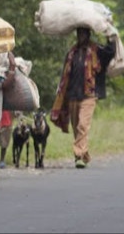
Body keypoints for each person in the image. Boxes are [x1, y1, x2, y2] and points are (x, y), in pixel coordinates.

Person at [50, 27, 115, 169]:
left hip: (89, 95)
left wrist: (110, 36)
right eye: (79, 33)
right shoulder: (72, 52)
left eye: (84, 33)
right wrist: (61, 93)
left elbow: (110, 53)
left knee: (82, 126)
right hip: (73, 95)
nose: (81, 36)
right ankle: (84, 155)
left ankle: (78, 155)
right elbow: (65, 75)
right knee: (76, 128)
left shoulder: (96, 50)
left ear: (88, 34)